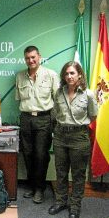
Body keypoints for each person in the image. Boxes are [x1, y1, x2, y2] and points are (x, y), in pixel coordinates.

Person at [48, 61, 98, 218]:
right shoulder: (58, 92)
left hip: (79, 137)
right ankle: (61, 201)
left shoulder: (88, 94)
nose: (69, 76)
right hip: (61, 136)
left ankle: (75, 205)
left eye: (72, 73)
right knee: (61, 171)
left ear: (79, 75)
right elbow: (55, 114)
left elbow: (93, 115)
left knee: (78, 174)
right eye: (66, 73)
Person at [15, 46, 59, 203]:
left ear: (39, 57)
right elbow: (19, 99)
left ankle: (40, 188)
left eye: (33, 57)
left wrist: (53, 123)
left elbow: (58, 101)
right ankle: (32, 185)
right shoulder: (20, 76)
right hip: (26, 118)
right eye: (27, 58)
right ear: (24, 59)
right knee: (27, 153)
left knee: (41, 154)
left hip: (44, 119)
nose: (30, 60)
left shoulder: (51, 75)